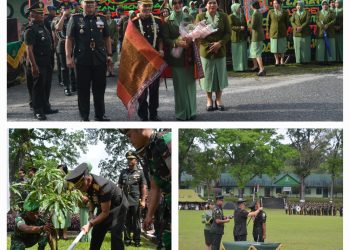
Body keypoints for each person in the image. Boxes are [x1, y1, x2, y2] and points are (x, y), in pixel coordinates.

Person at [121, 129, 171, 249]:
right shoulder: (148, 152)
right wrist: (149, 215)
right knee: (163, 244)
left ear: (140, 128)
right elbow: (154, 187)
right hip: (166, 208)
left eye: (130, 135)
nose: (130, 140)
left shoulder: (166, 141)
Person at [66, 0, 112, 121]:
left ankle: (100, 115)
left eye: (92, 3)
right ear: (82, 5)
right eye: (87, 2)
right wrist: (68, 57)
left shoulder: (101, 18)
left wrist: (109, 55)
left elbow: (107, 38)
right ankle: (84, 116)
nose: (90, 5)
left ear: (95, 5)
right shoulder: (75, 19)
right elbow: (69, 39)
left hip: (99, 59)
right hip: (82, 60)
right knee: (83, 90)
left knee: (100, 89)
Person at [65, 163, 128, 250]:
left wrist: (90, 224)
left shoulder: (103, 187)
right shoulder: (86, 185)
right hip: (103, 205)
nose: (81, 189)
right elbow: (92, 198)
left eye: (81, 186)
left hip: (118, 205)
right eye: (78, 188)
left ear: (87, 179)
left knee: (115, 233)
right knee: (97, 231)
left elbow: (105, 213)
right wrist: (91, 213)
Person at [162, 0, 197, 121]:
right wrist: (176, 42)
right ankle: (182, 113)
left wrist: (191, 40)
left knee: (191, 85)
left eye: (179, 2)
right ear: (171, 5)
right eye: (174, 3)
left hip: (189, 56)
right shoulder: (167, 20)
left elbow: (196, 33)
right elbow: (165, 39)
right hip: (176, 58)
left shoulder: (190, 17)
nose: (177, 5)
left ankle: (192, 111)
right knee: (180, 87)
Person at [24, 0, 58, 121]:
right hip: (37, 64)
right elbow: (29, 50)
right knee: (37, 88)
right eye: (38, 14)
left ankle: (46, 107)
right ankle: (37, 110)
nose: (41, 16)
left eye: (42, 14)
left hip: (46, 63)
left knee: (46, 86)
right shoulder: (30, 30)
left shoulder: (43, 27)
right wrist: (34, 66)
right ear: (32, 15)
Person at [130, 0, 164, 121]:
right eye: (145, 6)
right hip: (140, 62)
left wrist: (161, 50)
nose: (147, 8)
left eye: (149, 6)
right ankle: (143, 114)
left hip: (154, 61)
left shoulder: (158, 21)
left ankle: (153, 113)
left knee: (154, 90)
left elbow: (160, 38)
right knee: (142, 91)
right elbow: (128, 43)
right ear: (139, 6)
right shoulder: (133, 23)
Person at [196, 0, 231, 112]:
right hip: (206, 52)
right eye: (210, 3)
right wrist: (210, 46)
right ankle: (209, 99)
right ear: (206, 5)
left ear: (217, 4)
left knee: (219, 75)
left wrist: (219, 43)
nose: (212, 5)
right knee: (207, 77)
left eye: (214, 2)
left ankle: (219, 99)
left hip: (220, 50)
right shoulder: (200, 16)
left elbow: (228, 33)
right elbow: (197, 35)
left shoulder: (224, 16)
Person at [118, 151, 147, 247]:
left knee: (136, 221)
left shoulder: (140, 172)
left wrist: (143, 200)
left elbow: (143, 187)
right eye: (128, 159)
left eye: (131, 159)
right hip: (125, 200)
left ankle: (137, 240)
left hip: (136, 201)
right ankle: (127, 240)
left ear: (136, 160)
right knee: (126, 221)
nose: (129, 161)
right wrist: (119, 199)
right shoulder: (123, 172)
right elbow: (119, 186)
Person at [55, 4, 76, 96]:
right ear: (61, 10)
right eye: (64, 9)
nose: (66, 10)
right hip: (62, 44)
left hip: (73, 44)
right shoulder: (57, 19)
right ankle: (66, 87)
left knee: (73, 66)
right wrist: (63, 15)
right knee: (64, 68)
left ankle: (74, 86)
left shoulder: (74, 18)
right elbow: (58, 28)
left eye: (68, 9)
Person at [267, 0, 289, 66]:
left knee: (282, 47)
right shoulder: (271, 11)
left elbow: (287, 22)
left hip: (282, 32)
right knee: (274, 47)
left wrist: (285, 29)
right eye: (273, 3)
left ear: (279, 4)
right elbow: (268, 22)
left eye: (276, 3)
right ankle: (276, 60)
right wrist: (268, 31)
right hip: (273, 32)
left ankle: (282, 60)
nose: (274, 5)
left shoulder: (284, 12)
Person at [52, 165, 71, 240]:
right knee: (55, 217)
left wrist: (66, 195)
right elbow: (51, 189)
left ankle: (65, 235)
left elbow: (70, 190)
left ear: (64, 171)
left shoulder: (68, 180)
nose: (59, 171)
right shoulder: (54, 180)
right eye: (58, 170)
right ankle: (57, 235)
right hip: (55, 200)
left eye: (61, 170)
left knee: (65, 216)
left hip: (65, 201)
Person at [229, 3, 248, 72]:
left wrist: (246, 33)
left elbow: (245, 26)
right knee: (237, 53)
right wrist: (239, 28)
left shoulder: (242, 16)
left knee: (243, 52)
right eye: (238, 8)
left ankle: (244, 67)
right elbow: (231, 26)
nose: (240, 9)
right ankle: (237, 68)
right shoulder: (231, 16)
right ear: (234, 9)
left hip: (243, 37)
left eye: (240, 8)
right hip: (235, 37)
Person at [249, 1, 265, 76]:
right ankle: (256, 66)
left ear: (253, 6)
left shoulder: (255, 14)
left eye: (251, 5)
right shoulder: (259, 13)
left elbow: (253, 26)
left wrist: (249, 23)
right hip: (259, 34)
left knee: (257, 52)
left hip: (256, 35)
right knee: (254, 51)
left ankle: (261, 69)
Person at [105, 10, 118, 77]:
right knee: (107, 57)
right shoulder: (103, 22)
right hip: (105, 43)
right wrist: (107, 39)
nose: (108, 15)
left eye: (109, 14)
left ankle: (112, 71)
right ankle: (107, 70)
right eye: (107, 14)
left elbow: (116, 31)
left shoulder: (114, 22)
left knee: (113, 58)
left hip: (113, 42)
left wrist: (113, 39)